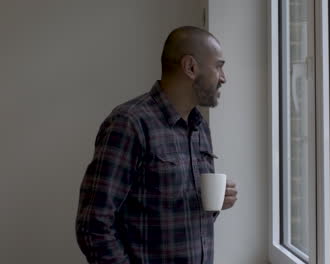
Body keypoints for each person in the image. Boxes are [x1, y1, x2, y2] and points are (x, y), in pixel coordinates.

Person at [75, 26, 238, 264]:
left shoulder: (199, 127)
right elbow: (93, 225)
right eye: (219, 66)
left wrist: (213, 204)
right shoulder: (129, 124)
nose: (224, 78)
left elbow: (173, 216)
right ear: (191, 67)